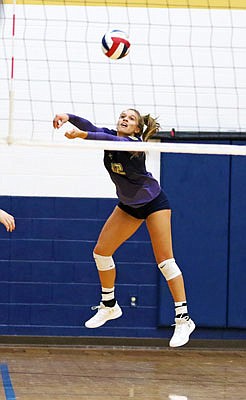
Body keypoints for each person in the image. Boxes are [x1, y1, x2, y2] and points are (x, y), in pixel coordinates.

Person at [53, 109, 195, 347]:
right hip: (129, 205)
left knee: (165, 261)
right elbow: (95, 128)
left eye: (130, 118)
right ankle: (109, 305)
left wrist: (82, 135)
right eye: (122, 116)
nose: (125, 119)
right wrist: (68, 116)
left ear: (137, 129)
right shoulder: (109, 135)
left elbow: (108, 139)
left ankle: (183, 319)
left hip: (153, 203)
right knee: (101, 252)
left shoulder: (133, 145)